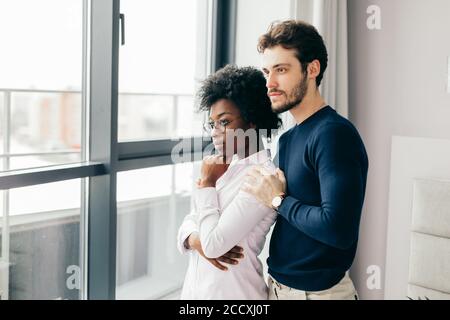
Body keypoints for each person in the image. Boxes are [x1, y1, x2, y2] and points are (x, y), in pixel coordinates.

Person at [241, 20, 369, 300]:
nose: (270, 83)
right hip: (276, 288)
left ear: (312, 69)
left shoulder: (334, 134)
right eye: (266, 72)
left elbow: (337, 229)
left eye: (281, 70)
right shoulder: (287, 140)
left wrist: (279, 200)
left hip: (318, 296)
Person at [177, 65, 282, 299]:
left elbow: (214, 244)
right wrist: (196, 240)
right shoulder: (223, 167)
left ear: (252, 120)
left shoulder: (263, 178)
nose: (215, 132)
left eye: (224, 122)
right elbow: (187, 224)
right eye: (212, 124)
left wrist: (206, 183)